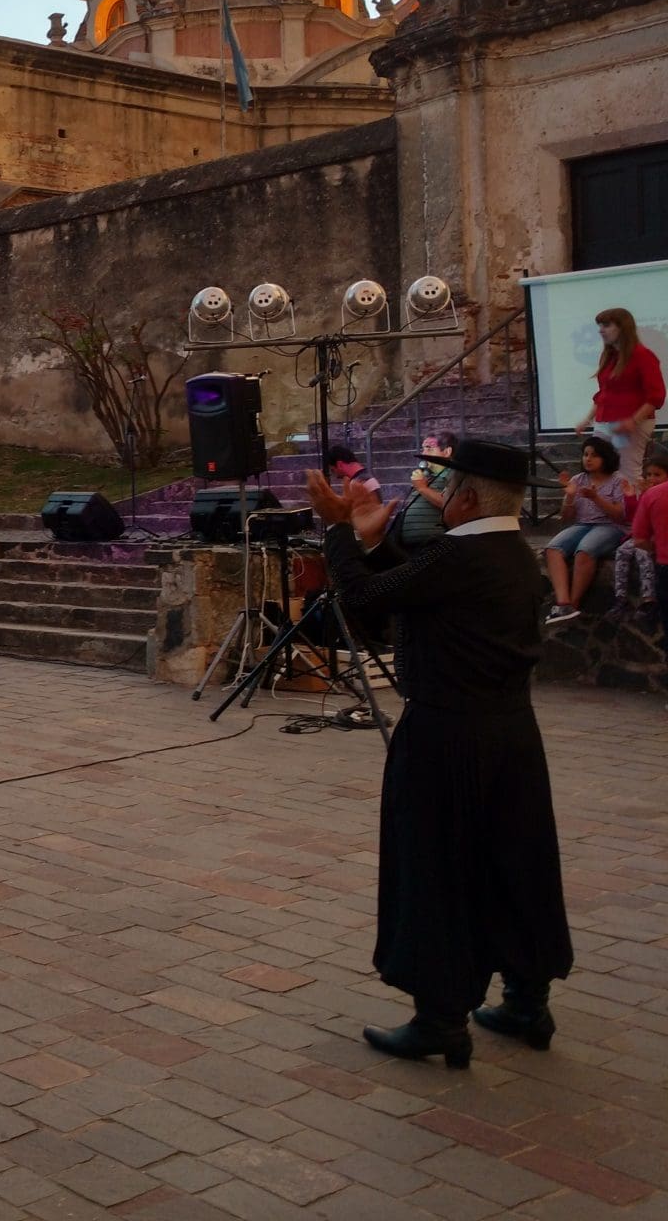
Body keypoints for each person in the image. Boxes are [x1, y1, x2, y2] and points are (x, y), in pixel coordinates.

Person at [303, 442, 572, 1067]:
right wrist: (370, 545)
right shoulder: (513, 555)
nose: (440, 500)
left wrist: (340, 532)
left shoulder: (460, 554)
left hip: (447, 737)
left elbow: (369, 600)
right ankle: (528, 1001)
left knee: (435, 867)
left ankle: (439, 1020)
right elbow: (418, 588)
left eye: (447, 491)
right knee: (516, 864)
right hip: (511, 735)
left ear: (468, 497)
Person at [543, 435, 633, 626]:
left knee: (585, 550)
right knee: (553, 548)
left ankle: (574, 605)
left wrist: (596, 498)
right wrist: (568, 497)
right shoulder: (578, 479)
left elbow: (620, 516)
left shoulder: (618, 480)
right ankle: (563, 603)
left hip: (611, 526)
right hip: (583, 524)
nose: (588, 459)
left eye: (594, 455)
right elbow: (566, 517)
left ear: (606, 458)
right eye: (585, 455)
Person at [574, 306, 663, 481]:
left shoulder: (643, 355)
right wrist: (587, 419)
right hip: (604, 420)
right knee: (599, 468)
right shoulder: (608, 356)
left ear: (623, 327)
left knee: (627, 471)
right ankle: (605, 507)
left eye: (606, 325)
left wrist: (633, 420)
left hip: (631, 422)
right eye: (600, 325)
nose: (601, 330)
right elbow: (603, 394)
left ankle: (633, 508)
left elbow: (656, 395)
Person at [614, 448, 668, 628]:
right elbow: (636, 519)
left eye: (657, 475)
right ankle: (620, 597)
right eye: (649, 475)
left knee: (642, 553)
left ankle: (648, 598)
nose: (652, 479)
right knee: (623, 551)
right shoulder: (648, 494)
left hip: (657, 542)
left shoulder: (655, 494)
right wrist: (631, 497)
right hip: (646, 537)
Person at [398, 433, 456, 551]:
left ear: (447, 451)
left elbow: (450, 504)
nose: (424, 454)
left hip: (433, 545)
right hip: (410, 546)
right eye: (423, 449)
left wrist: (422, 488)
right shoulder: (427, 477)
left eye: (429, 449)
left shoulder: (453, 475)